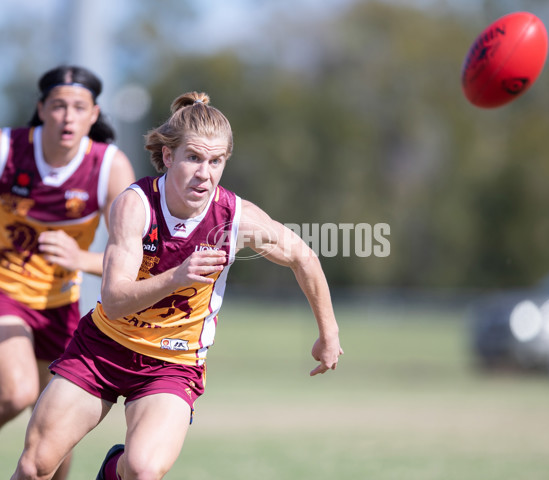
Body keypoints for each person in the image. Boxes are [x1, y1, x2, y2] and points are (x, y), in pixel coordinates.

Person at [10, 91, 343, 480]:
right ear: (169, 157)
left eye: (216, 161)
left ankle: (112, 472)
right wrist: (179, 275)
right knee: (35, 467)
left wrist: (329, 332)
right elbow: (114, 300)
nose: (205, 172)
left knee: (143, 469)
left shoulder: (235, 218)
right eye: (194, 158)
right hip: (102, 349)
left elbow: (304, 257)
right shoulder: (136, 205)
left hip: (172, 363)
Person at [0, 65, 136, 480]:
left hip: (61, 306)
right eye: (58, 106)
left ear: (94, 114)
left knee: (54, 435)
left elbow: (131, 257)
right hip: (6, 292)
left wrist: (80, 260)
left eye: (79, 107)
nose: (68, 116)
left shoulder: (109, 166)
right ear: (41, 109)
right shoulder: (8, 149)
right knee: (18, 391)